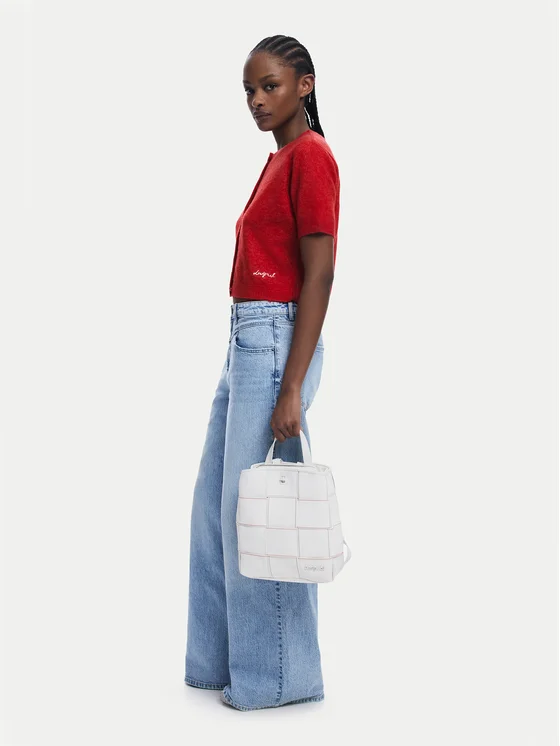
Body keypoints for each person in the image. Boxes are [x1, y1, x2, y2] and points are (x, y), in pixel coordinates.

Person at [184, 34, 340, 711]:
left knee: (256, 511)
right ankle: (218, 662)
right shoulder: (278, 161)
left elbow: (320, 273)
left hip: (274, 340)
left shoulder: (311, 157)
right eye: (249, 89)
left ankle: (277, 677)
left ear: (305, 85)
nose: (256, 99)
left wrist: (292, 386)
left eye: (269, 85)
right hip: (245, 339)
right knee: (214, 512)